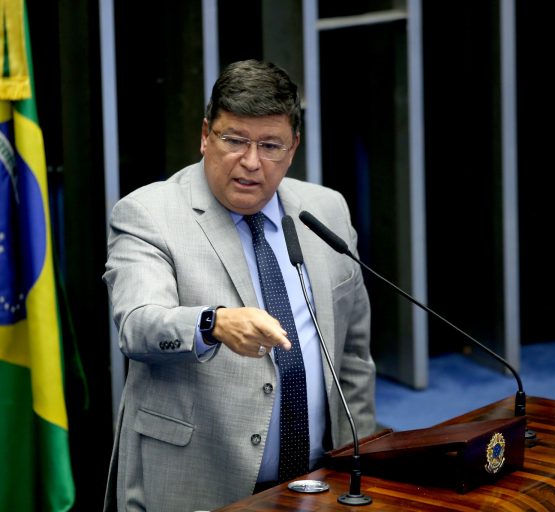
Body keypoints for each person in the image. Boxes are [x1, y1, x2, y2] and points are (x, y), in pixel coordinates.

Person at [102, 59, 376, 512]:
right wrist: (213, 324)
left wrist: (364, 459)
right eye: (234, 140)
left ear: (293, 148)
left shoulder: (326, 210)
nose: (250, 162)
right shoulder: (148, 214)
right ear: (205, 136)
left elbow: (353, 356)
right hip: (200, 486)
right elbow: (138, 325)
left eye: (270, 145)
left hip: (321, 483)